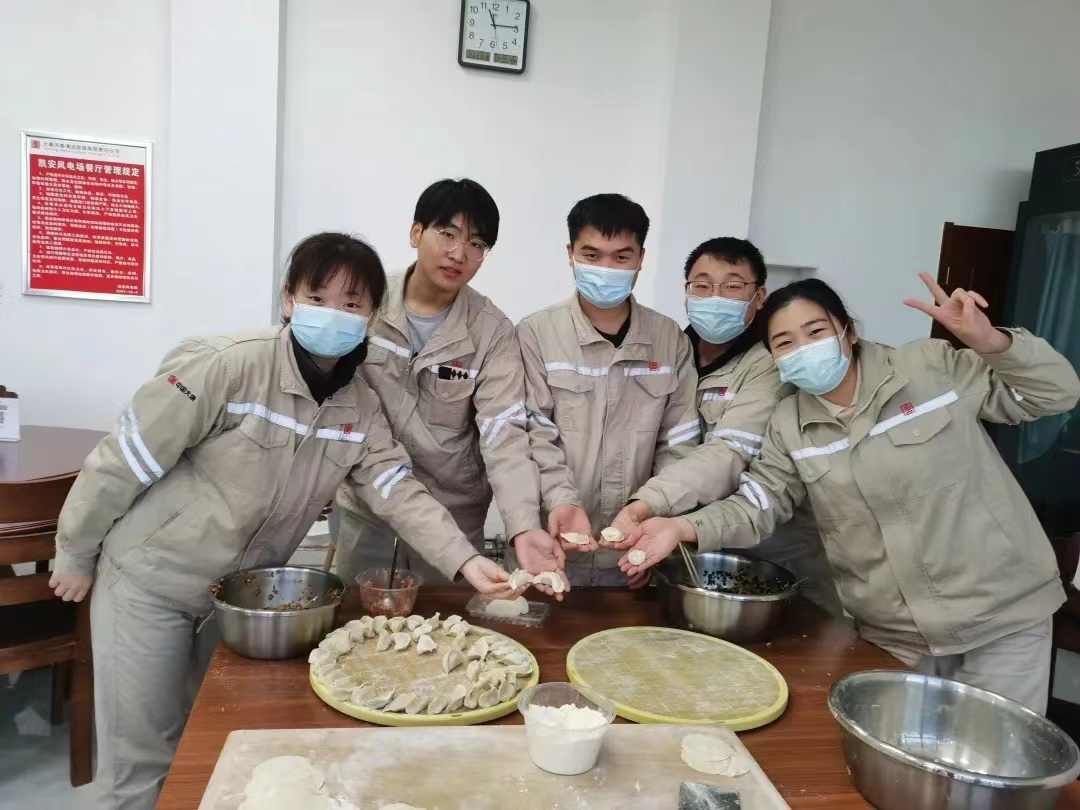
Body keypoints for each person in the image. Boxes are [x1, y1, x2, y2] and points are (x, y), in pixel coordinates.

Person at [49, 233, 519, 810]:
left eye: (352, 304)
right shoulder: (228, 365)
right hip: (150, 585)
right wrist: (75, 550)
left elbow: (395, 488)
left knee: (211, 749)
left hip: (236, 601)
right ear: (289, 297)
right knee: (140, 766)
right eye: (318, 298)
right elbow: (126, 459)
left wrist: (465, 559)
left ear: (373, 316)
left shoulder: (358, 406)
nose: (334, 314)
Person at [619, 274, 1080, 713]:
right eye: (785, 343)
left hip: (1001, 619)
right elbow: (759, 504)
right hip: (895, 634)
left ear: (849, 331)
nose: (804, 348)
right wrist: (681, 526)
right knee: (896, 761)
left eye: (815, 331)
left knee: (994, 761)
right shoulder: (790, 424)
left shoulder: (928, 367)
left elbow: (1054, 395)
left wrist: (990, 341)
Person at [332, 179, 566, 593]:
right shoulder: (365, 302)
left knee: (449, 627)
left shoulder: (491, 332)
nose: (460, 253)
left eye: (477, 244)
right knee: (358, 624)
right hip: (369, 513)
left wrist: (523, 525)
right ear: (416, 232)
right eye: (448, 234)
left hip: (454, 520)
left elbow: (504, 434)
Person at [610, 238, 841, 614]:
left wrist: (647, 505)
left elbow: (729, 453)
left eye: (732, 286)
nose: (715, 297)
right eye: (702, 285)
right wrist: (646, 528)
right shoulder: (671, 354)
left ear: (759, 296)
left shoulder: (771, 363)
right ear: (686, 293)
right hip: (680, 550)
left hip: (766, 561)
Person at [518, 193, 699, 586]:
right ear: (570, 254)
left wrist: (649, 518)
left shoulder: (670, 340)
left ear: (641, 258)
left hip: (636, 551)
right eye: (592, 255)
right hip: (553, 546)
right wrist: (562, 500)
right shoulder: (536, 334)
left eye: (621, 257)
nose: (606, 269)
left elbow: (679, 444)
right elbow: (533, 434)